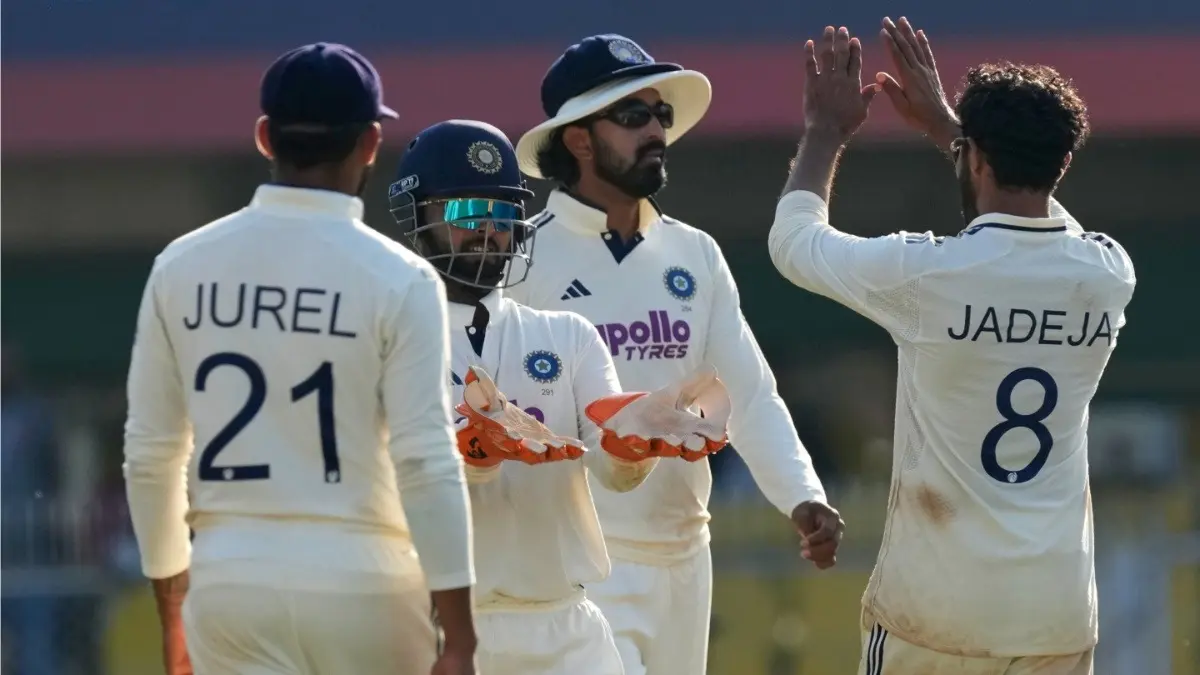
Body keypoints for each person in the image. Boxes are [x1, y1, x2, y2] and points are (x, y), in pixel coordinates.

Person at [769, 19, 1135, 675]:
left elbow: (793, 245)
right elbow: (1053, 231)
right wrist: (956, 136)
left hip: (937, 613)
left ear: (977, 158)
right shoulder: (1107, 276)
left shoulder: (927, 274)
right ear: (1065, 163)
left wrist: (826, 130)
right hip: (1055, 612)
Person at [122, 43, 478, 675]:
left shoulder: (182, 265)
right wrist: (460, 636)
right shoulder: (401, 278)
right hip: (366, 584)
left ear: (265, 137)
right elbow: (424, 459)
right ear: (370, 143)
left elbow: (151, 457)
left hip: (231, 585)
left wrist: (174, 610)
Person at [509, 34, 843, 675]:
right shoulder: (518, 258)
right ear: (578, 138)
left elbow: (747, 393)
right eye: (634, 117)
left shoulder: (695, 253)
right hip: (577, 561)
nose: (657, 130)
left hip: (686, 558)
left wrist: (803, 496)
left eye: (660, 114)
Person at [387, 118, 732, 675]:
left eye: (502, 213)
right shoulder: (389, 338)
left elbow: (609, 468)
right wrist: (470, 460)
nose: (487, 231)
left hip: (566, 628)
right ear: (416, 215)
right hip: (436, 625)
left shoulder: (567, 335)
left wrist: (634, 441)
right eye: (462, 213)